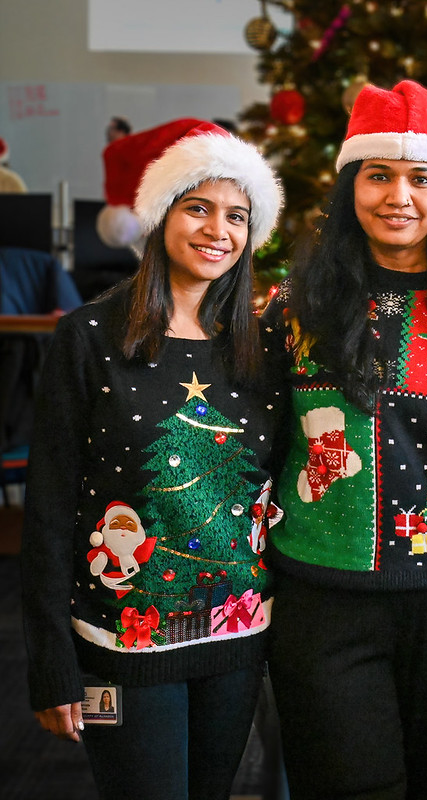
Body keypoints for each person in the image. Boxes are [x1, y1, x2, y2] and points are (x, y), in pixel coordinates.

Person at [261, 79, 427, 799]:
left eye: (420, 178)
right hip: (323, 597)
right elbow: (262, 434)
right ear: (352, 183)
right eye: (378, 175)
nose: (398, 196)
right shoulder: (293, 303)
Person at [21, 118, 285, 800]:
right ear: (162, 211)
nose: (217, 231)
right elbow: (48, 509)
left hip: (236, 637)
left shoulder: (261, 349)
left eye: (237, 215)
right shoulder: (87, 339)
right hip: (122, 643)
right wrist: (50, 663)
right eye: (198, 207)